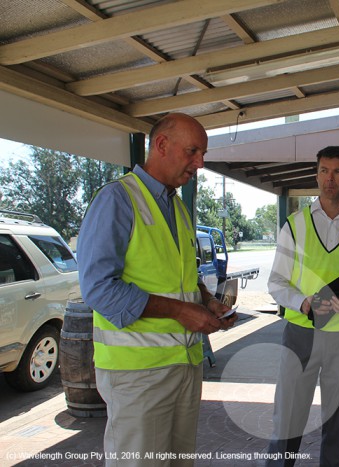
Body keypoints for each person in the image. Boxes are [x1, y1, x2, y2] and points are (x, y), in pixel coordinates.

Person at [77, 113, 238, 465]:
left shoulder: (177, 206)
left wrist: (207, 301)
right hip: (138, 374)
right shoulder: (117, 200)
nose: (200, 163)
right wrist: (182, 312)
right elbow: (99, 289)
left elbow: (182, 276)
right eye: (193, 151)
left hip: (183, 366)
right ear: (162, 145)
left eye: (203, 154)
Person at [266, 146, 339, 466]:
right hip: (301, 332)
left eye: (337, 172)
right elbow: (276, 282)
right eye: (323, 170)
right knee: (288, 416)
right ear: (316, 173)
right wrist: (301, 302)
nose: (328, 179)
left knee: (338, 419)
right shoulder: (294, 224)